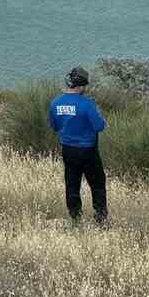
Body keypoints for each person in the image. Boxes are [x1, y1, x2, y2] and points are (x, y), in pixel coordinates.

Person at [49, 66, 108, 225]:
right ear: (82, 85)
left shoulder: (55, 103)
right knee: (97, 183)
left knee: (72, 183)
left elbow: (54, 126)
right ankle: (100, 218)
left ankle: (75, 217)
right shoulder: (87, 104)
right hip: (88, 150)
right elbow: (99, 127)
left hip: (68, 150)